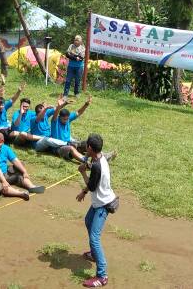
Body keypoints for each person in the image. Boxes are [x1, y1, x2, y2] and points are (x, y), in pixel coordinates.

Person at [76, 133, 117, 288]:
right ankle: (94, 254)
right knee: (88, 221)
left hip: (103, 205)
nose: (85, 148)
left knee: (94, 238)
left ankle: (102, 275)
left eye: (86, 146)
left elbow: (92, 186)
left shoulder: (98, 166)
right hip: (98, 203)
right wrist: (87, 164)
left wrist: (82, 172)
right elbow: (93, 169)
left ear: (90, 148)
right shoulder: (99, 158)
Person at [0, 132, 44, 200]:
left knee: (20, 169)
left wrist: (24, 171)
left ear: (3, 141)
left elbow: (15, 160)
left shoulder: (6, 148)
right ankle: (20, 193)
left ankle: (32, 187)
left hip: (4, 174)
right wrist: (4, 182)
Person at [35, 96, 92, 161]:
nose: (66, 121)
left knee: (86, 144)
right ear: (59, 117)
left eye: (67, 119)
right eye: (64, 119)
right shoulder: (55, 122)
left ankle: (98, 156)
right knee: (71, 148)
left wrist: (86, 104)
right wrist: (59, 106)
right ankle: (85, 161)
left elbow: (78, 112)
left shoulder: (68, 119)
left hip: (70, 142)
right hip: (58, 148)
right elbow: (55, 115)